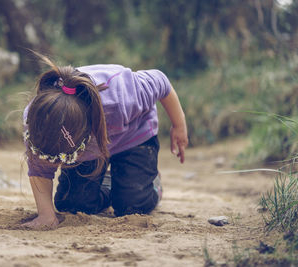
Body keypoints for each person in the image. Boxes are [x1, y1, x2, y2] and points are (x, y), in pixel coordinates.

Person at [22, 54, 188, 229]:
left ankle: (151, 182)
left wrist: (179, 125)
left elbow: (160, 81)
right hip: (89, 153)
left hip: (134, 136)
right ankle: (110, 181)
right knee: (73, 205)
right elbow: (39, 170)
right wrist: (46, 216)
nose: (55, 163)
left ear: (87, 132)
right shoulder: (36, 120)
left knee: (132, 206)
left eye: (62, 157)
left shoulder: (121, 95)